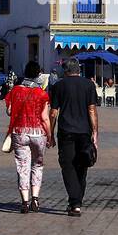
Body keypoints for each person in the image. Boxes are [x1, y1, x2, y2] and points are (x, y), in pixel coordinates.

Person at [48, 57, 98, 217]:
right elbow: (92, 110)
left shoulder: (58, 85)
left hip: (66, 131)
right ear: (78, 69)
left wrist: (50, 133)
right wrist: (95, 132)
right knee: (82, 166)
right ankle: (76, 202)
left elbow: (53, 112)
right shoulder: (89, 85)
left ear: (66, 70)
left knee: (68, 166)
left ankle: (75, 202)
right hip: (84, 132)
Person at [5, 61, 53, 213]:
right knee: (37, 165)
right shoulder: (42, 94)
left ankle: (24, 202)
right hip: (38, 133)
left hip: (20, 132)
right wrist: (50, 136)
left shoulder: (16, 90)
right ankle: (36, 199)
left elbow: (9, 111)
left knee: (22, 166)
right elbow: (45, 117)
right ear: (39, 74)